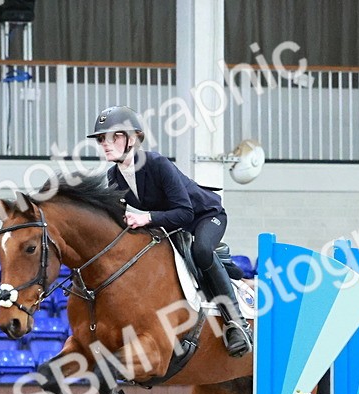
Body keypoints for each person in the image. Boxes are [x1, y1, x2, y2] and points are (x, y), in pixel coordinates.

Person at [87, 105, 251, 358]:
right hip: (170, 226)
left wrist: (146, 218)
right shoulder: (114, 176)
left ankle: (237, 323)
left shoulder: (157, 164)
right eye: (101, 139)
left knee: (202, 250)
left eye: (113, 137)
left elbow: (185, 213)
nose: (105, 144)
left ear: (132, 139)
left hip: (204, 217)